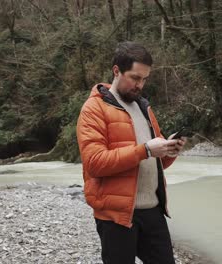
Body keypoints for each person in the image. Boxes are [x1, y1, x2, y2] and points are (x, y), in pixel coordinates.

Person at [76, 41, 187, 264]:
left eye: (145, 79)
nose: (140, 85)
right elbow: (95, 163)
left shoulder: (144, 107)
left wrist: (169, 151)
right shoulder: (93, 109)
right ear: (116, 71)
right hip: (116, 216)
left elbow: (156, 163)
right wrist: (145, 150)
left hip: (153, 210)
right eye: (135, 78)